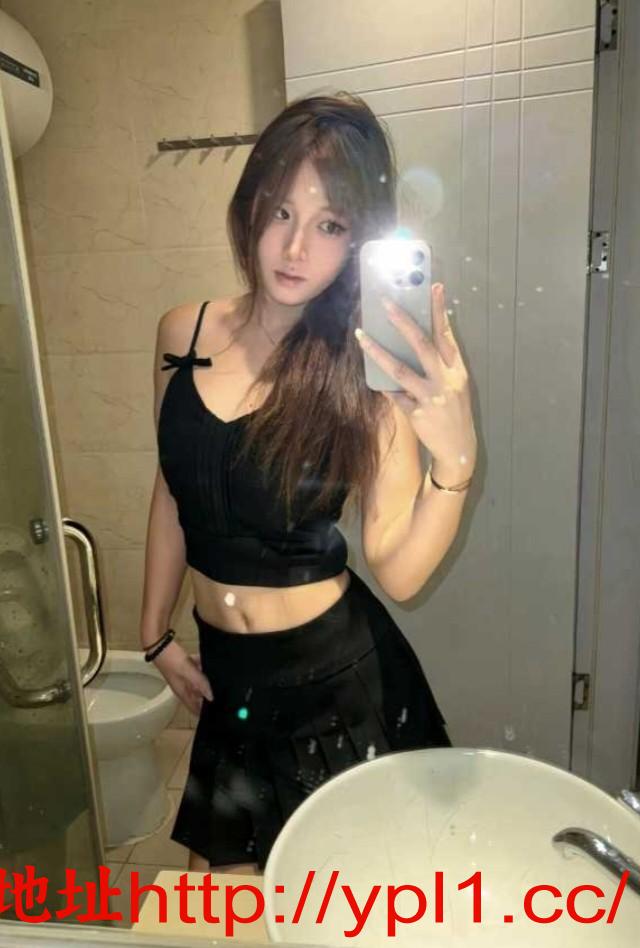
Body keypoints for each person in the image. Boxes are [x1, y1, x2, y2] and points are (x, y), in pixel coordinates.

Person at [140, 91, 477, 875]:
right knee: (227, 910)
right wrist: (152, 631)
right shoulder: (182, 333)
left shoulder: (366, 369)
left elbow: (397, 567)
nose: (295, 248)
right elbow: (171, 484)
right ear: (249, 207)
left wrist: (455, 464)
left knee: (340, 906)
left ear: (358, 238)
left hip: (335, 688)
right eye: (281, 212)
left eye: (330, 225)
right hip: (230, 684)